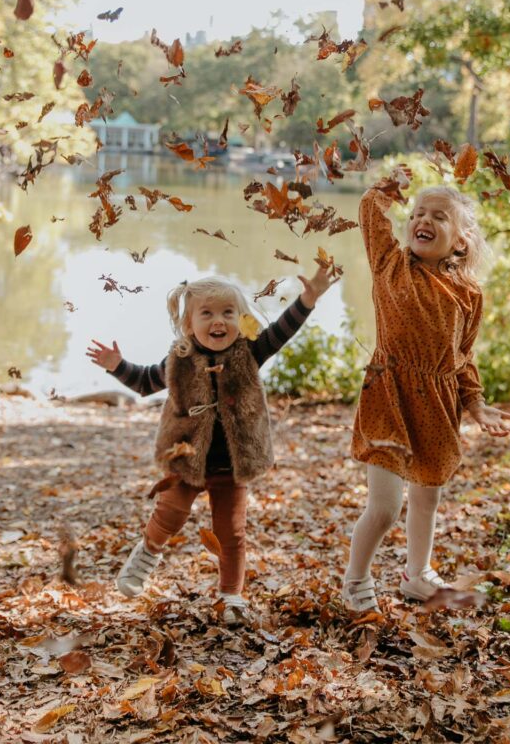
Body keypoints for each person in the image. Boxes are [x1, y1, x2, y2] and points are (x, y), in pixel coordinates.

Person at [87, 267, 334, 625]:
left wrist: (308, 299)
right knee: (169, 514)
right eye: (207, 313)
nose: (218, 321)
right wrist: (117, 366)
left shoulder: (249, 352)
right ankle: (147, 552)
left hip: (234, 464)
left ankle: (231, 596)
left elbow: (283, 330)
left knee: (231, 534)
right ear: (189, 324)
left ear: (241, 319)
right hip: (185, 459)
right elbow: (143, 383)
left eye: (227, 313)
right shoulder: (180, 358)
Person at [342, 166, 510, 613]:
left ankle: (416, 575)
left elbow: (463, 356)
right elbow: (369, 212)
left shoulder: (469, 293)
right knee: (384, 508)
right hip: (389, 394)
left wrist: (476, 403)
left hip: (438, 405)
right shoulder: (390, 263)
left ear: (461, 239)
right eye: (418, 213)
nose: (423, 220)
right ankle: (355, 580)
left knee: (428, 495)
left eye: (439, 216)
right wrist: (387, 187)